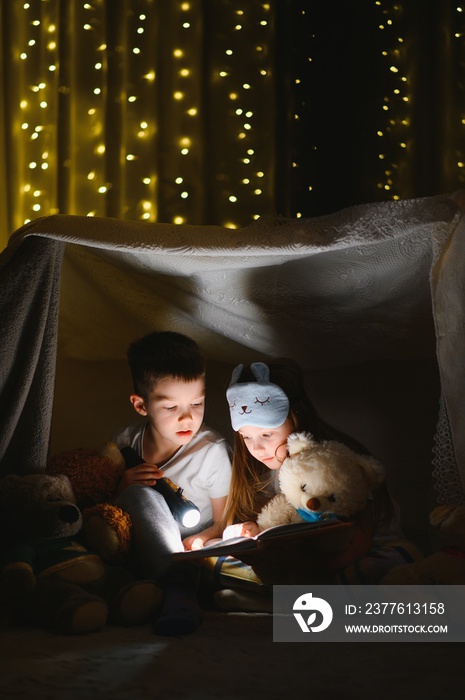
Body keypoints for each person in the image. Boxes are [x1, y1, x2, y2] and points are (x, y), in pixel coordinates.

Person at [218, 359, 417, 592]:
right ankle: (285, 595)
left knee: (393, 562)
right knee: (215, 562)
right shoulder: (263, 470)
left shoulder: (334, 462)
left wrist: (316, 568)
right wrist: (249, 532)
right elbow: (272, 525)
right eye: (246, 437)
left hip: (360, 551)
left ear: (296, 417)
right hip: (301, 559)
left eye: (267, 434)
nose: (257, 449)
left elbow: (362, 536)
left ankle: (274, 598)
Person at [113, 330, 232, 635]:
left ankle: (176, 591)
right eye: (171, 407)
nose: (187, 419)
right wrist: (123, 486)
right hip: (144, 549)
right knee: (140, 496)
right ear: (141, 405)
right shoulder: (127, 445)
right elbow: (109, 512)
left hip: (192, 549)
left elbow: (224, 520)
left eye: (197, 404)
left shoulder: (211, 451)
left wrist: (196, 542)